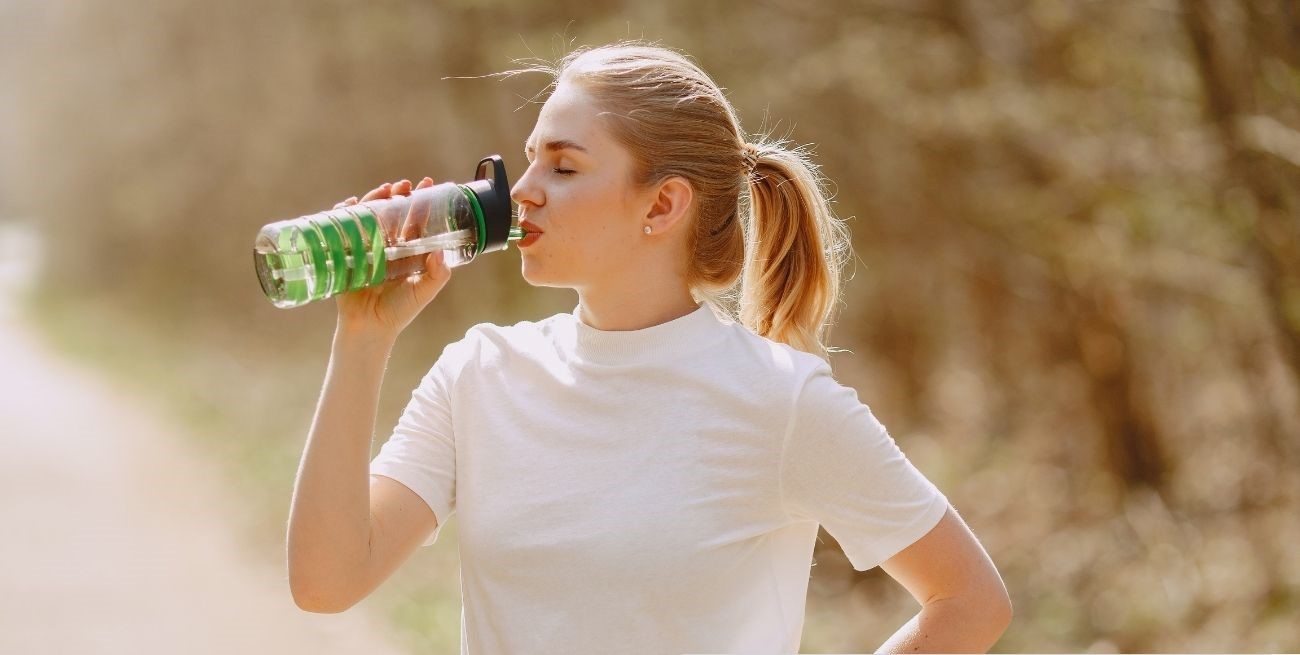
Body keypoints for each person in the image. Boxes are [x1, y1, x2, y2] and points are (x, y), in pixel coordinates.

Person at [286, 41, 1011, 654]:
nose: (524, 192)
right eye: (529, 159)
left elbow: (970, 599)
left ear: (662, 204)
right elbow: (326, 580)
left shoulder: (780, 399)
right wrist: (364, 336)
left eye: (563, 167)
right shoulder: (477, 375)